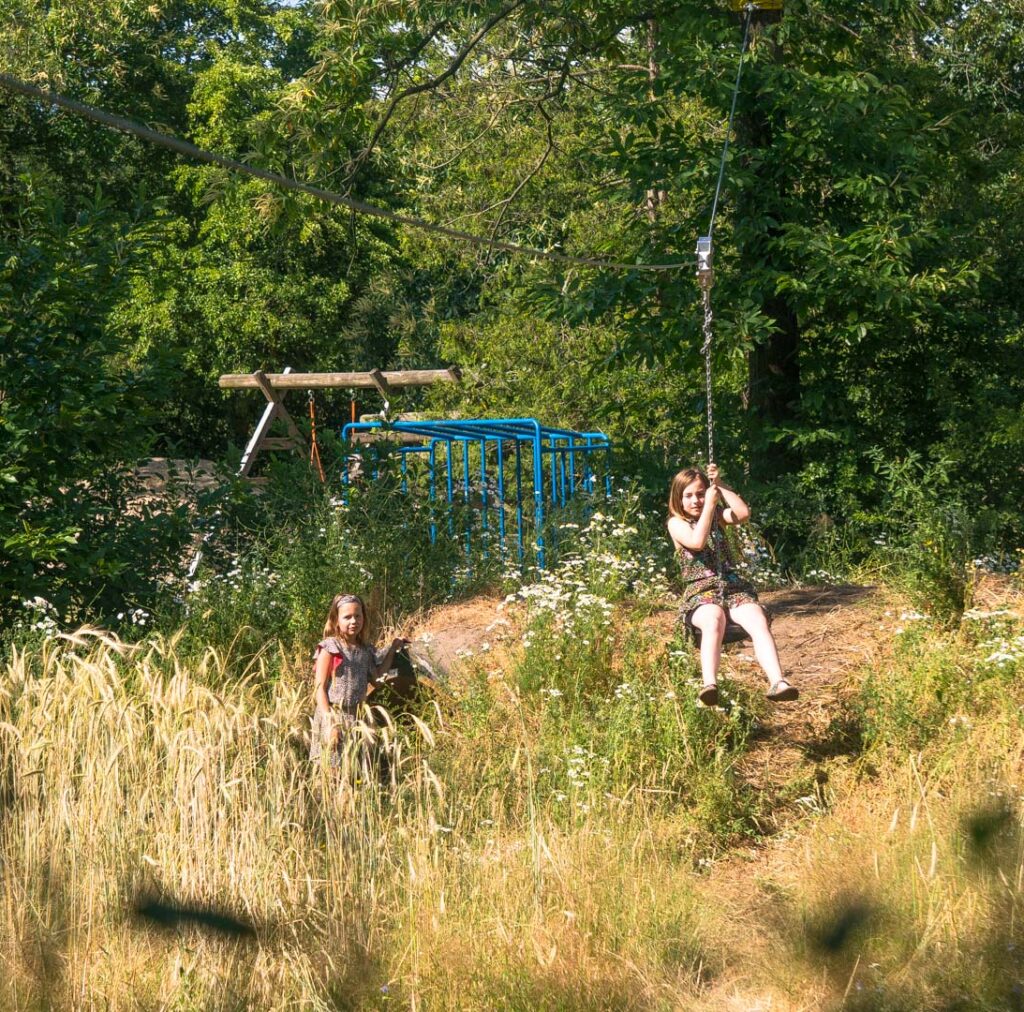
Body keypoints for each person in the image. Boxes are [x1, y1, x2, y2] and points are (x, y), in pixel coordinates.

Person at [667, 463, 798, 706]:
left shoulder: (717, 516)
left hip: (732, 586)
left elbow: (743, 513)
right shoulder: (676, 523)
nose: (695, 500)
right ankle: (709, 684)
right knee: (713, 618)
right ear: (678, 498)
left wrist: (721, 485)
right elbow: (697, 542)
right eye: (688, 496)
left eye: (700, 494)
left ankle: (778, 682)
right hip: (701, 590)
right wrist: (710, 505)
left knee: (757, 617)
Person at [309, 593, 408, 765]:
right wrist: (331, 724)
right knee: (332, 770)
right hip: (333, 715)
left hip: (356, 718)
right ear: (335, 620)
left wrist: (392, 650)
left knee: (352, 769)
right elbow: (320, 689)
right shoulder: (330, 647)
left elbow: (376, 680)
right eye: (347, 617)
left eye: (358, 616)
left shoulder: (365, 650)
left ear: (364, 618)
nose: (354, 621)